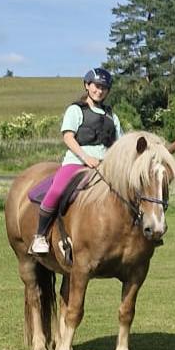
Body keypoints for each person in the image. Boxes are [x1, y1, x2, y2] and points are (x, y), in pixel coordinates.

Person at [30, 67, 123, 255]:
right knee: (56, 190)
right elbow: (68, 137)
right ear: (87, 86)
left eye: (104, 87)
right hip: (76, 162)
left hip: (105, 166)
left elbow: (119, 145)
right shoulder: (76, 110)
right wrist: (86, 158)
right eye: (96, 86)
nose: (100, 90)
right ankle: (39, 236)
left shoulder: (112, 116)